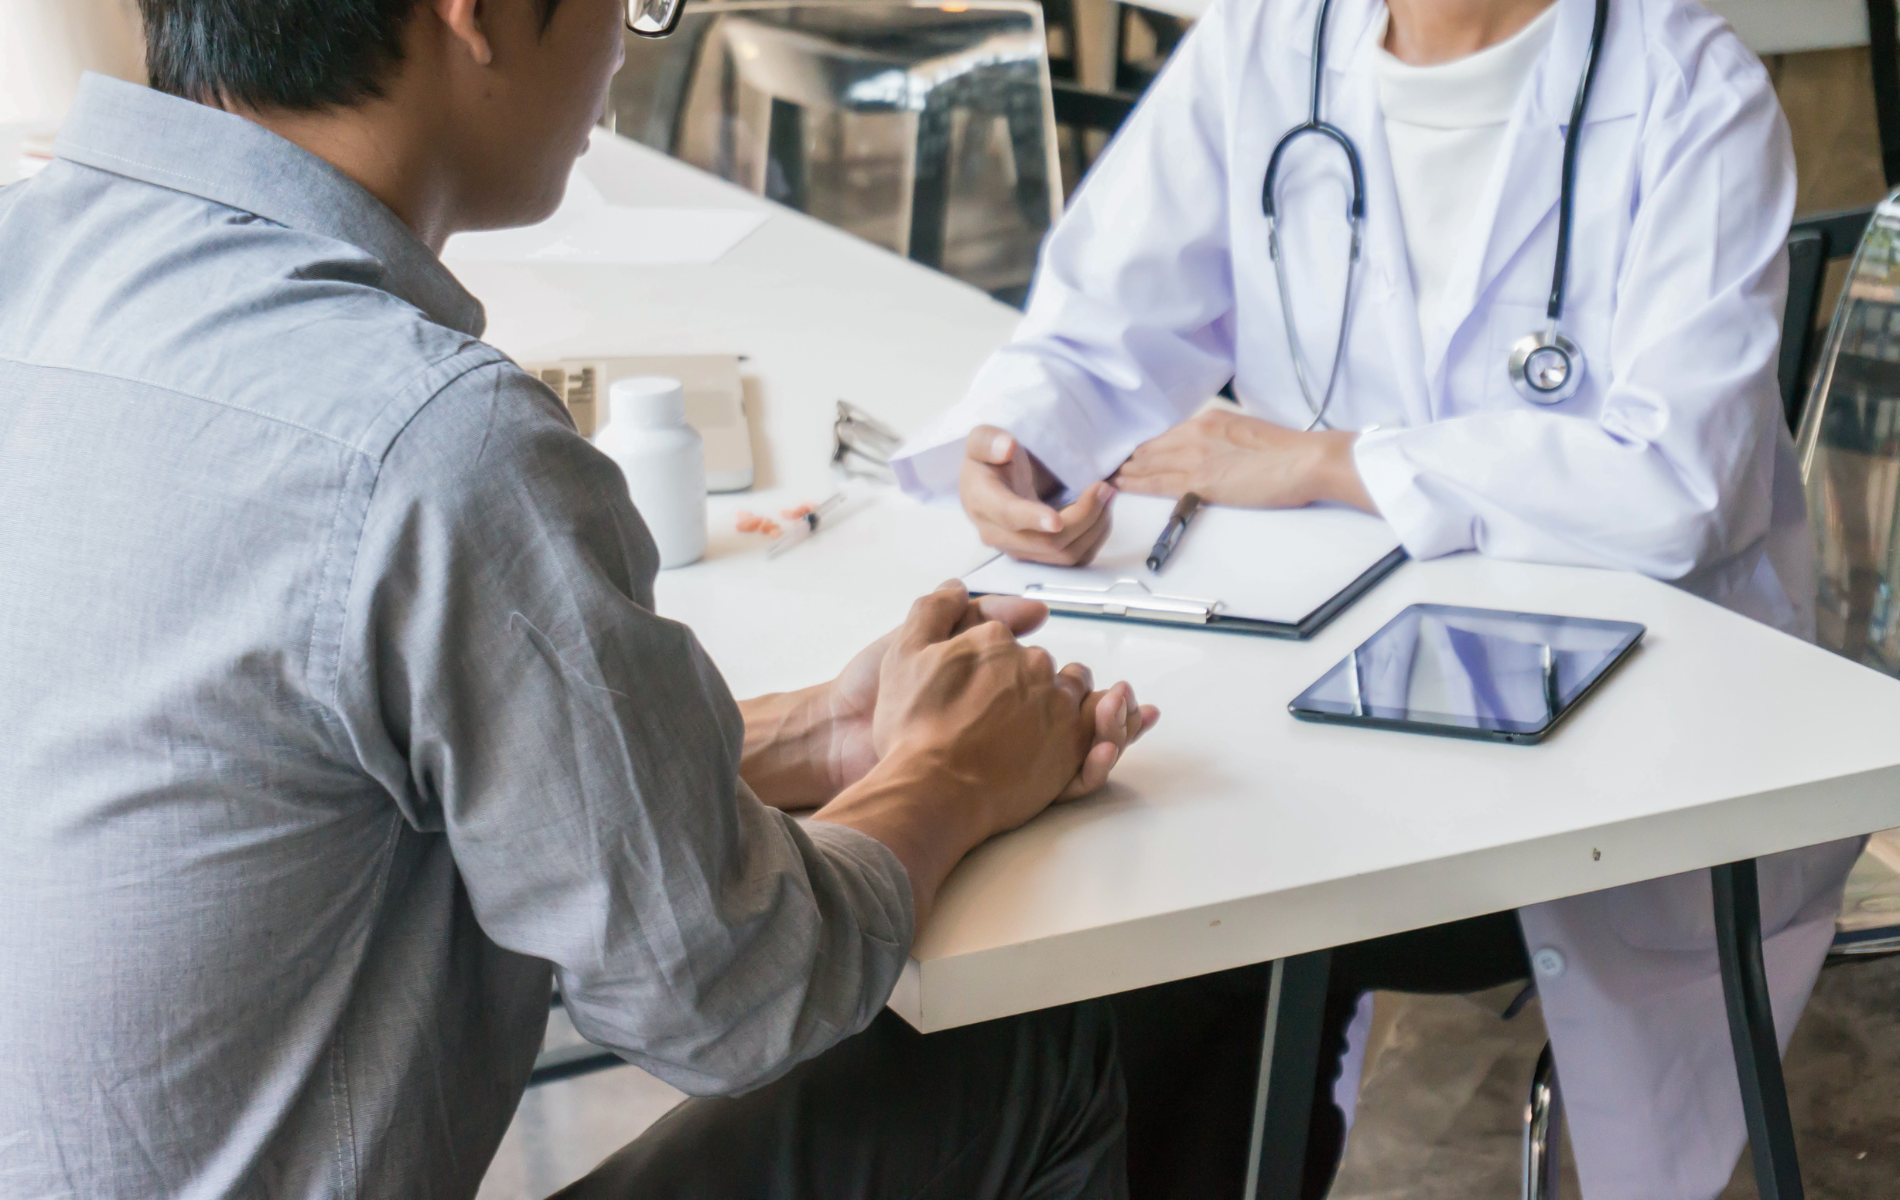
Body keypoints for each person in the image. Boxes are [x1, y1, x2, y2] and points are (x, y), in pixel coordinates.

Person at [0, 1, 1163, 1197]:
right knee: (1025, 1058)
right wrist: (947, 780)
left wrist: (822, 734)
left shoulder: (31, 257)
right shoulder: (432, 446)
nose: (625, 42)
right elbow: (725, 998)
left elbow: (283, 782)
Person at [890, 0, 1864, 1195]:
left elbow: (1671, 489)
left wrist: (1332, 459)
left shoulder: (1687, 88)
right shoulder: (1269, 42)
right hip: (1327, 690)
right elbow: (1099, 322)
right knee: (1108, 907)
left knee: (1198, 938)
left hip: (1623, 761)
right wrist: (1021, 447)